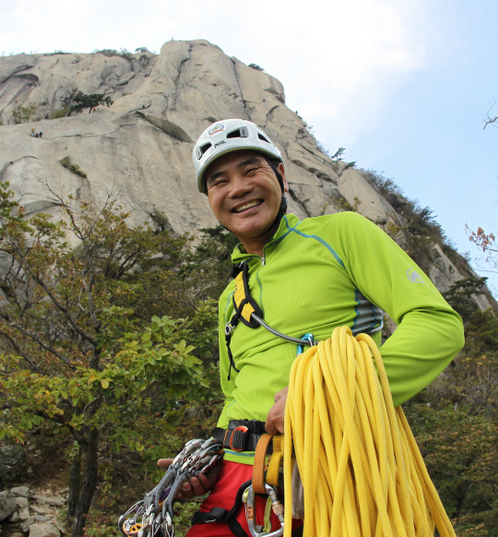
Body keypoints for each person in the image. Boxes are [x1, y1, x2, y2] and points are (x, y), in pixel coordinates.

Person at [158, 119, 464, 537]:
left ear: (281, 176)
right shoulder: (230, 297)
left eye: (252, 170)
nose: (238, 188)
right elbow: (235, 395)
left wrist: (318, 396)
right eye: (219, 181)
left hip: (329, 474)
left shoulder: (341, 234)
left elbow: (438, 325)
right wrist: (209, 461)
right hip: (234, 486)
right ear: (211, 199)